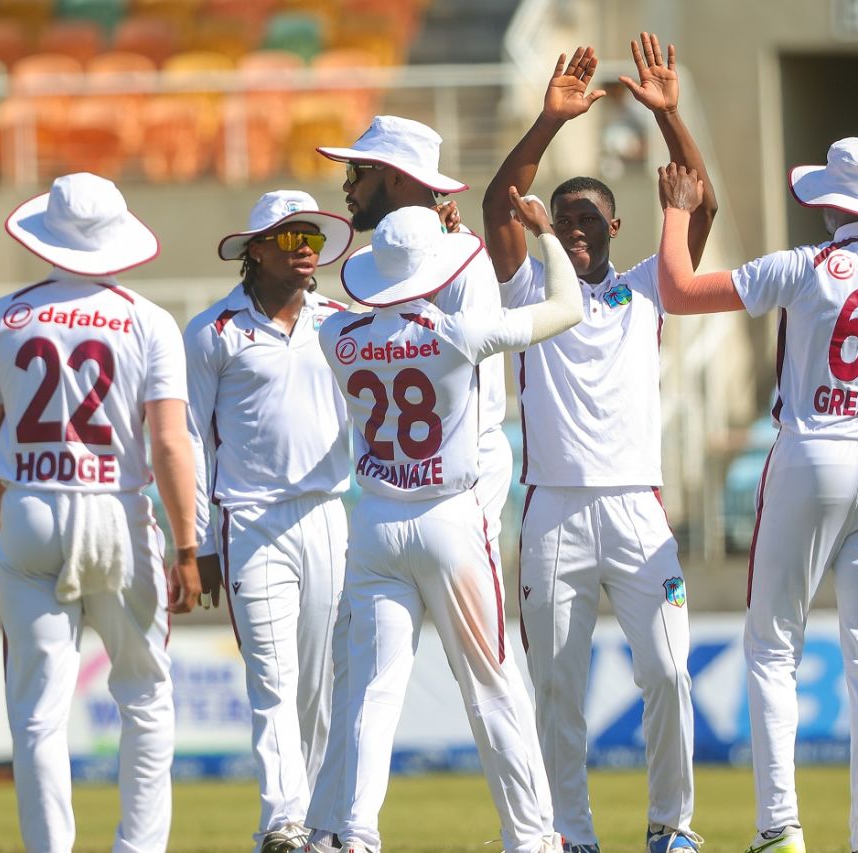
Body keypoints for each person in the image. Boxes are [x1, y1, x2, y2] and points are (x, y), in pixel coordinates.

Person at [653, 139, 858, 853]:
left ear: (829, 202)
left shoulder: (805, 267)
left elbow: (678, 291)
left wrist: (672, 214)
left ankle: (779, 826)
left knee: (773, 647)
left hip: (812, 451)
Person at [479, 36, 717, 853]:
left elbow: (703, 203)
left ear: (616, 225)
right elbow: (498, 203)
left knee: (670, 674)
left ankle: (671, 828)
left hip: (637, 508)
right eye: (564, 216)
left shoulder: (649, 285)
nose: (575, 228)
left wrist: (671, 118)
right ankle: (570, 836)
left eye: (589, 217)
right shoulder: (529, 286)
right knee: (557, 690)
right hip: (552, 515)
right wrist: (548, 122)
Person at [313, 192, 583, 853]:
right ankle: (530, 836)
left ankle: (356, 833)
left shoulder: (336, 337)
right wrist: (545, 236)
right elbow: (567, 308)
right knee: (490, 683)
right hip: (448, 519)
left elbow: (354, 317)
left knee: (374, 693)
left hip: (375, 522)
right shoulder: (461, 331)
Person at [0, 172, 201, 853]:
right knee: (146, 701)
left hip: (29, 505)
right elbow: (167, 442)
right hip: (117, 513)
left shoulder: (3, 316)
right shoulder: (148, 320)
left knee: (38, 717)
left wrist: (10, 517)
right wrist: (186, 545)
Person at [304, 116, 518, 851]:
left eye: (359, 172)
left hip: (452, 483)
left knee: (469, 677)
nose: (348, 186)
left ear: (398, 179)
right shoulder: (423, 258)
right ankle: (337, 826)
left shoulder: (454, 262)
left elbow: (474, 394)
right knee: (372, 675)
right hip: (421, 488)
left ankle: (527, 833)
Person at [183, 190, 354, 853]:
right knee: (274, 677)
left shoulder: (339, 320)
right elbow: (191, 439)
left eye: (309, 234)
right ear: (255, 250)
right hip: (250, 520)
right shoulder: (213, 330)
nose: (305, 246)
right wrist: (197, 541)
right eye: (288, 237)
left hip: (328, 513)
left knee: (318, 682)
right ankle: (281, 818)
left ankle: (312, 824)